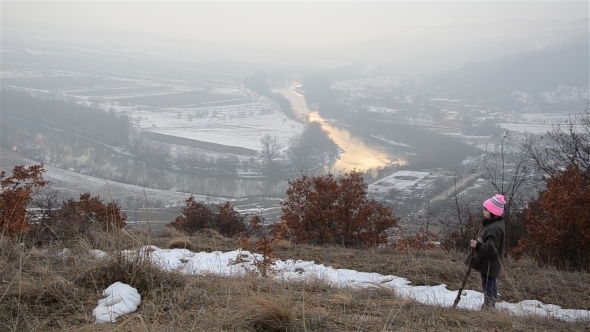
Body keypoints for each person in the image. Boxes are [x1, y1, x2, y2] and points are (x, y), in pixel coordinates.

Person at [470, 194, 506, 309]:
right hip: (491, 263)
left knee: (488, 283)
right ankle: (491, 303)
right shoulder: (495, 224)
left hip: (489, 263)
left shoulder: (494, 228)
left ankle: (489, 306)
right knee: (490, 282)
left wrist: (478, 245)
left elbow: (492, 248)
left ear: (493, 212)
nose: (483, 212)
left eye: (486, 210)